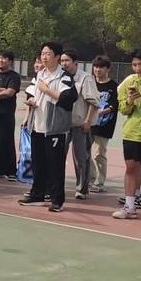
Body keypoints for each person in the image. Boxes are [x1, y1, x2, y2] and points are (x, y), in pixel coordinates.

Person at [18, 42, 77, 212]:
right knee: (38, 163)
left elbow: (68, 98)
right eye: (42, 54)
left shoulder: (64, 76)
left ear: (57, 57)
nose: (44, 57)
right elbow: (31, 93)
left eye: (48, 54)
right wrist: (31, 100)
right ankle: (37, 195)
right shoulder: (40, 74)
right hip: (37, 125)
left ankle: (57, 200)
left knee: (55, 165)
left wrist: (46, 90)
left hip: (54, 128)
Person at [112, 49, 141, 219]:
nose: (137, 68)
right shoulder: (129, 82)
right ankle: (129, 207)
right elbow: (123, 110)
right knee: (131, 168)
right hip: (132, 133)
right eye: (134, 65)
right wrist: (130, 101)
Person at [60, 49, 100, 200]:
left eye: (67, 60)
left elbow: (93, 102)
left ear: (75, 62)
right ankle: (55, 186)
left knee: (81, 157)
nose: (64, 63)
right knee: (58, 156)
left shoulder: (85, 78)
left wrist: (88, 121)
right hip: (62, 123)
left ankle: (82, 188)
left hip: (80, 123)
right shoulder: (60, 76)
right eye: (62, 60)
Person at [0, 49, 21, 180]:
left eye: (3, 58)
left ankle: (11, 171)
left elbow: (9, 92)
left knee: (6, 141)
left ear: (10, 61)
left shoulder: (14, 76)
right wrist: (0, 89)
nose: (0, 60)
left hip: (6, 113)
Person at [90, 55, 118, 193]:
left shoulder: (114, 86)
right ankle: (89, 179)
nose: (98, 70)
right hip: (88, 123)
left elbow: (116, 105)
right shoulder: (89, 83)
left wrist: (103, 112)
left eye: (101, 67)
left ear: (108, 69)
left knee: (99, 154)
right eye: (96, 67)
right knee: (84, 153)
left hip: (104, 125)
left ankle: (99, 182)